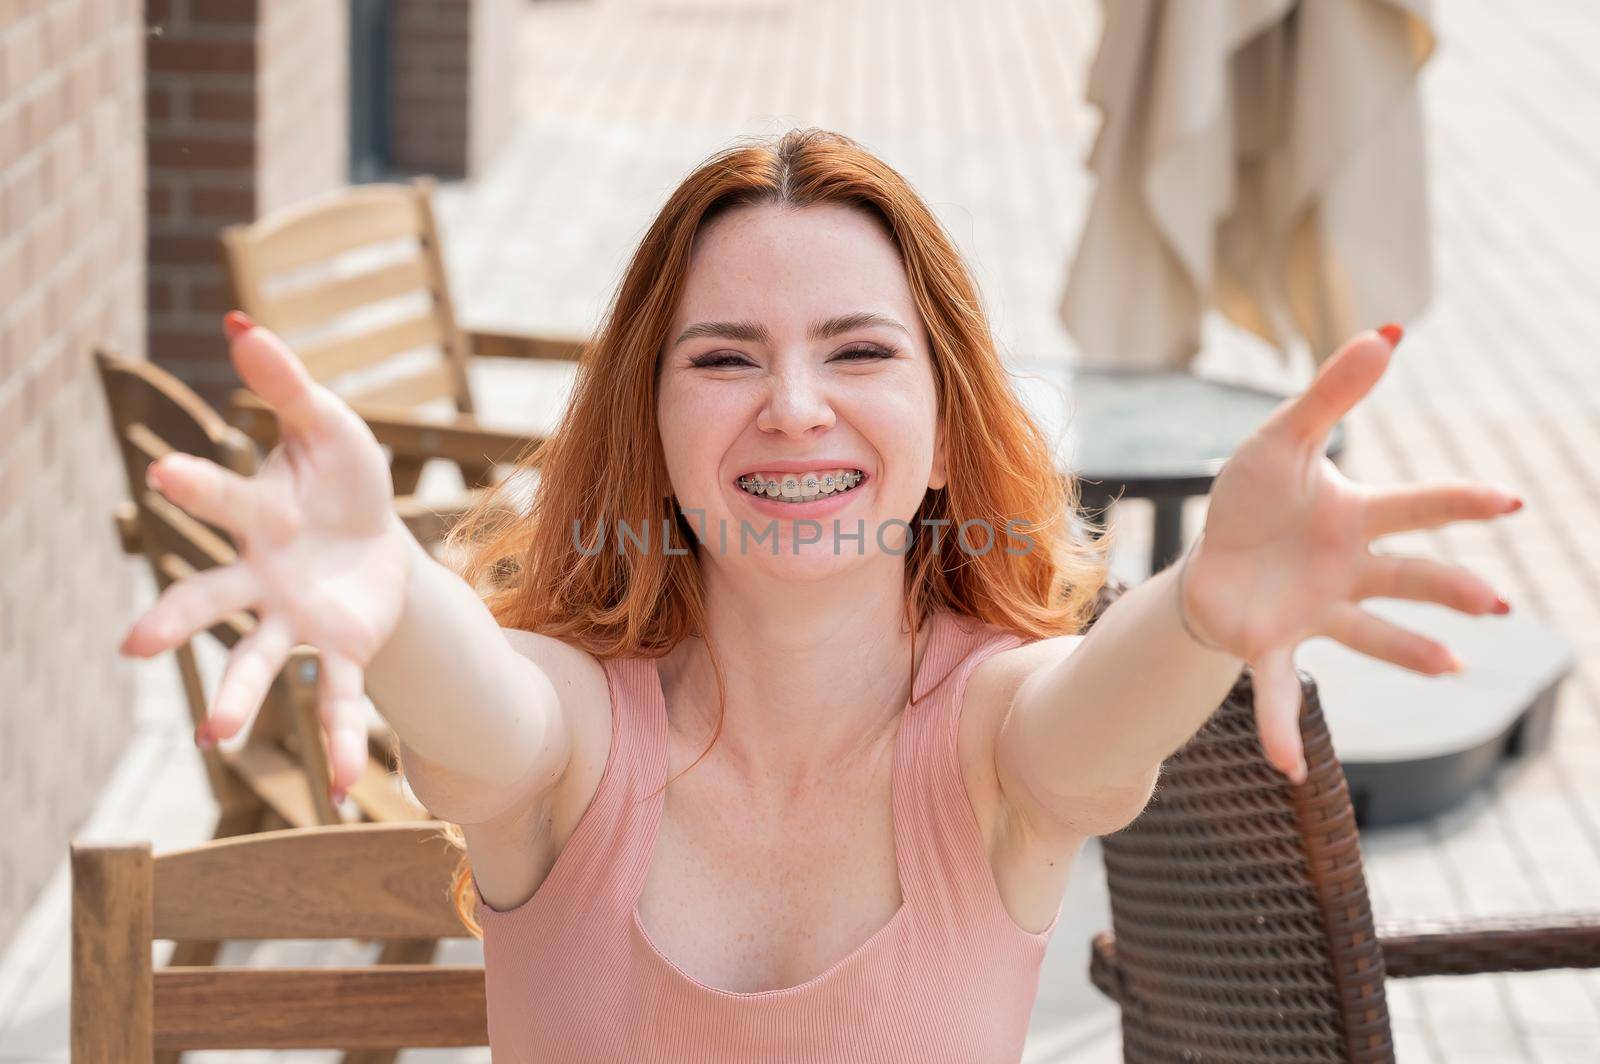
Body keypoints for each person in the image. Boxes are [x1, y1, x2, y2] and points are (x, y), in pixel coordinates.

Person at [119, 128, 1520, 1061]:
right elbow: (482, 713)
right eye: (724, 359)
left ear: (943, 406)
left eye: (857, 352)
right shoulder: (570, 731)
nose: (795, 409)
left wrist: (1203, 613)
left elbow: (1090, 720)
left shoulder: (996, 732)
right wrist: (401, 596)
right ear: (651, 424)